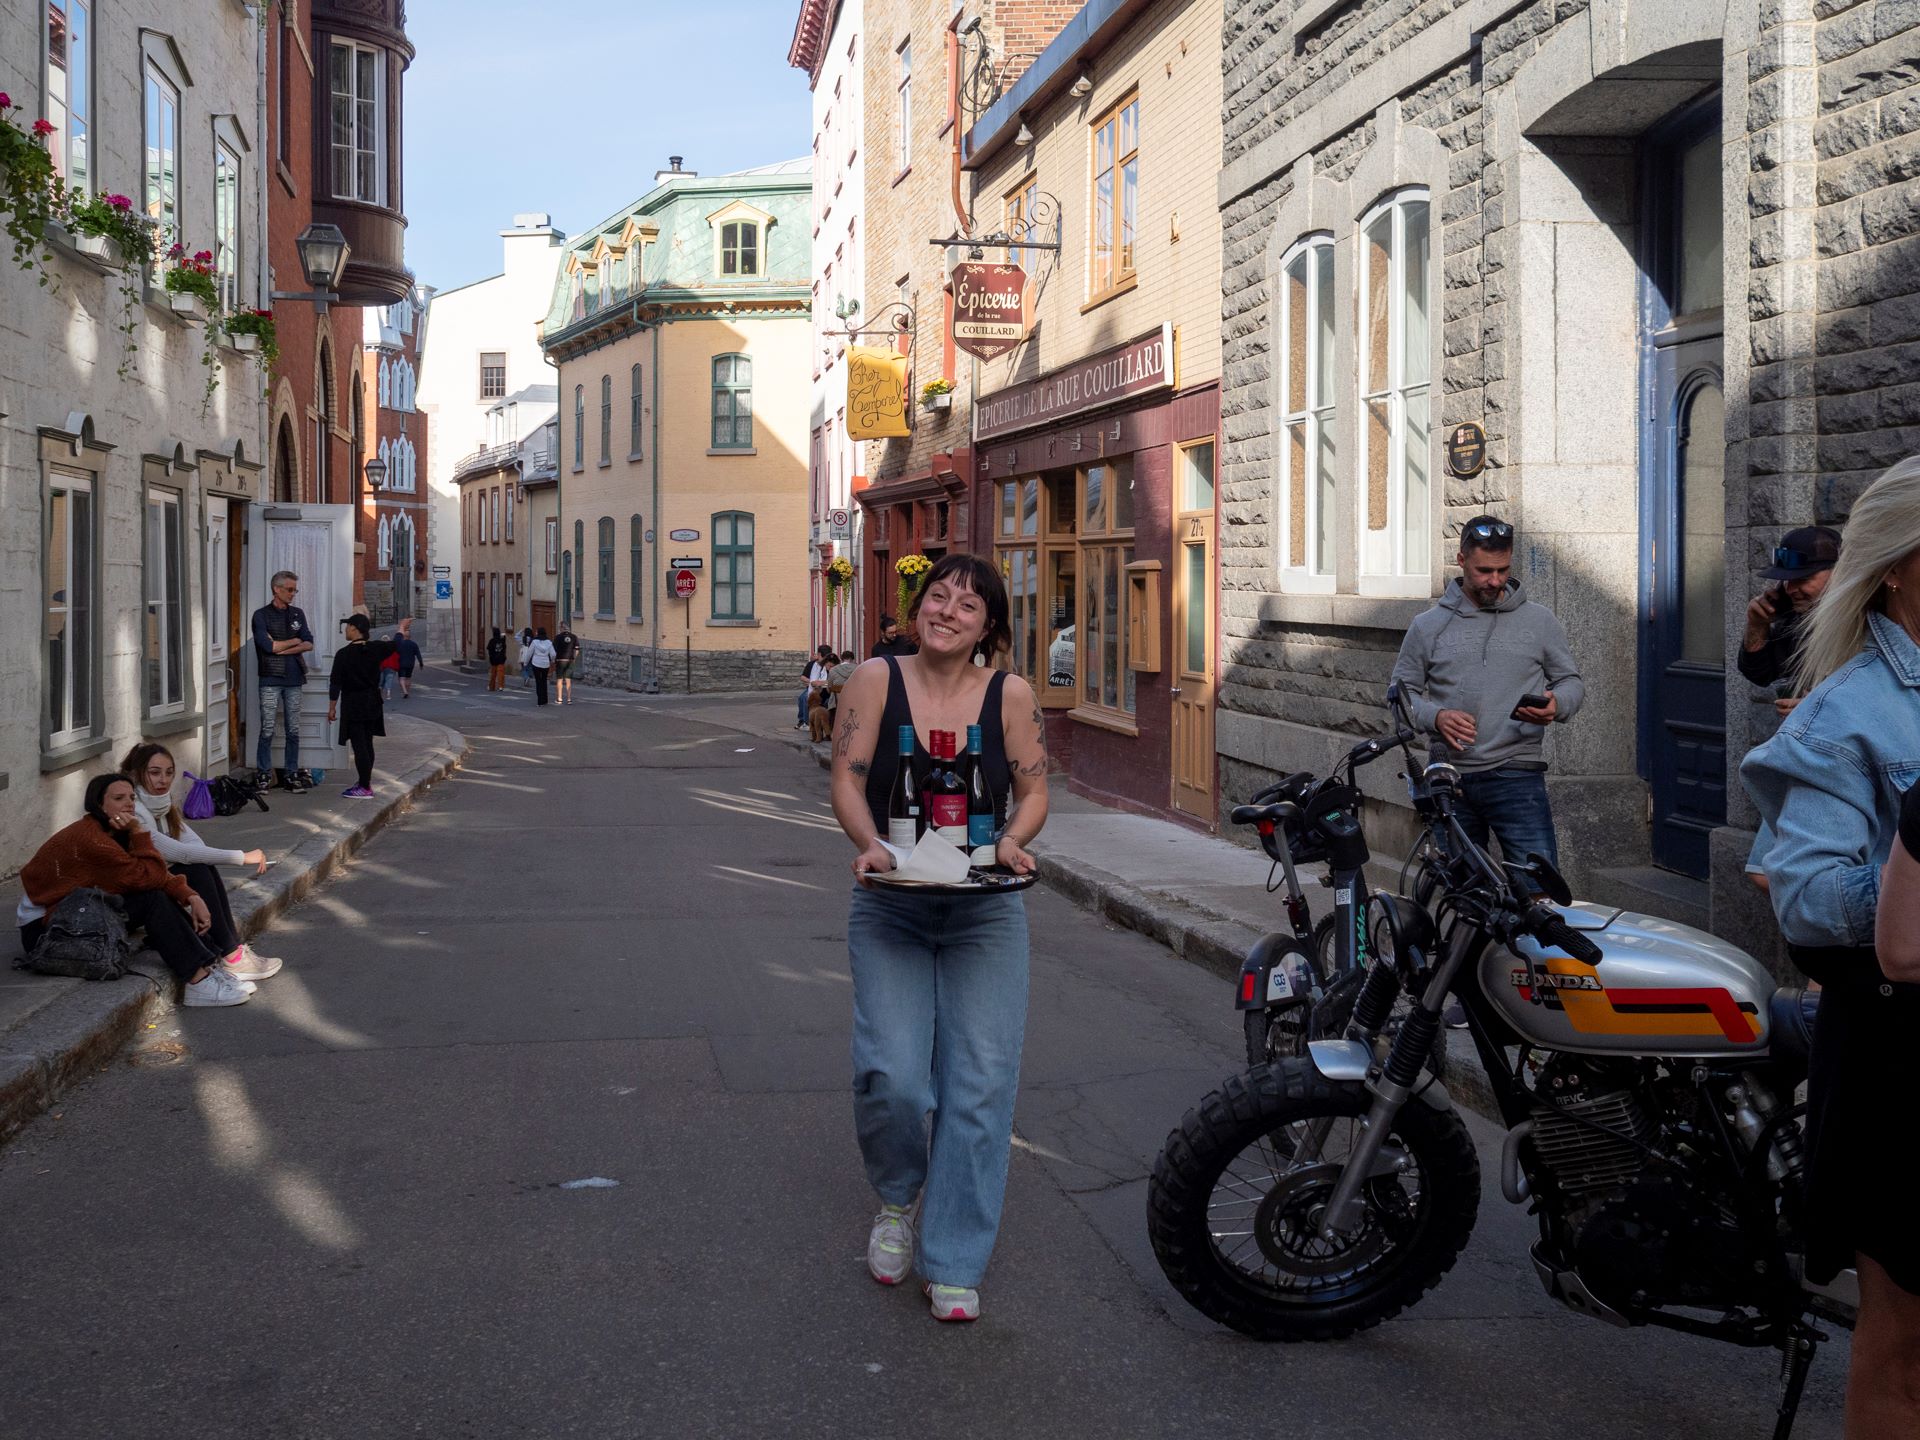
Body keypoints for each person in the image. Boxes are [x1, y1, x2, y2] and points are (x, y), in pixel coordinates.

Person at [1742, 458, 1920, 1437]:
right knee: (1907, 1349)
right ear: (1896, 567)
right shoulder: (1845, 712)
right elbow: (1807, 902)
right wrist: (1911, 872)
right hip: (1901, 1058)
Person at [828, 553, 1050, 1323]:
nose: (947, 610)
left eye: (967, 604)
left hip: (984, 910)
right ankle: (897, 1199)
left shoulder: (1010, 695)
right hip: (891, 905)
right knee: (891, 1075)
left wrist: (1014, 840)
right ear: (918, 607)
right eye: (938, 596)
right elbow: (846, 779)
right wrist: (870, 844)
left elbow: (1035, 790)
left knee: (980, 1085)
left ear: (988, 627)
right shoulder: (874, 681)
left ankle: (953, 1258)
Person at [1388, 515, 1585, 869]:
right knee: (1463, 890)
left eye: (1502, 570)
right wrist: (1436, 717)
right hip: (1449, 779)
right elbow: (1399, 696)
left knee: (1538, 886)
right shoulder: (1427, 626)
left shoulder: (1539, 621)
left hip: (1517, 774)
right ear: (1461, 561)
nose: (1495, 580)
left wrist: (1557, 704)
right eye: (1484, 571)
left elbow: (1571, 682)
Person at [17, 775, 251, 1007]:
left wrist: (192, 896)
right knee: (151, 899)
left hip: (81, 912)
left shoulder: (113, 830)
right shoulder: (92, 839)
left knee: (176, 882)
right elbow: (150, 878)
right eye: (119, 798)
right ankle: (198, 980)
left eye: (131, 797)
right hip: (50, 931)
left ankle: (208, 964)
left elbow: (154, 875)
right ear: (99, 804)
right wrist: (139, 832)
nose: (129, 804)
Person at [120, 742, 282, 984]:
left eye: (169, 772)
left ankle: (232, 951)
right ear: (136, 774)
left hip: (150, 887)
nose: (163, 780)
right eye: (154, 773)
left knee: (202, 866)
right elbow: (178, 853)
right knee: (195, 868)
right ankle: (231, 956)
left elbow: (195, 845)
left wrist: (208, 859)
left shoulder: (162, 804)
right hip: (128, 903)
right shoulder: (135, 810)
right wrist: (241, 857)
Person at [1739, 526, 1842, 894]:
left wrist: (1816, 706)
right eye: (1786, 580)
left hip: (1839, 758)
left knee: (1776, 873)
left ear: (1838, 571)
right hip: (1802, 756)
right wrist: (1757, 625)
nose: (1792, 588)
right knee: (1766, 873)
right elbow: (1759, 673)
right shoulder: (1792, 614)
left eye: (1804, 578)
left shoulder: (1861, 618)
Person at [251, 569, 316, 793]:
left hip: (294, 677)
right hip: (270, 677)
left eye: (295, 590)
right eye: (289, 590)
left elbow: (309, 643)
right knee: (267, 728)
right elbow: (268, 646)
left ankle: (291, 774)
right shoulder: (261, 615)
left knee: (293, 729)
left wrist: (283, 647)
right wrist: (294, 641)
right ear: (276, 589)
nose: (292, 594)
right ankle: (263, 774)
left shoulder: (297, 614)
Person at [327, 614, 399, 798]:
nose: (345, 630)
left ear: (354, 628)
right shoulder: (376, 648)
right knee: (367, 743)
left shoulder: (343, 654)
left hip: (354, 703)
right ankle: (364, 782)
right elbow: (395, 644)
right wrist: (401, 630)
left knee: (359, 746)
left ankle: (365, 786)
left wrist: (332, 707)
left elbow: (336, 684)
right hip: (373, 701)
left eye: (347, 626)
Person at [799, 644, 834, 729]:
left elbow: (832, 680)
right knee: (803, 697)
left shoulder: (830, 665)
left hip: (826, 689)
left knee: (809, 697)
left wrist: (820, 683)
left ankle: (812, 722)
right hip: (813, 688)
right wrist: (811, 682)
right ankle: (804, 721)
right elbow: (803, 677)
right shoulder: (811, 664)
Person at [394, 617, 425, 699]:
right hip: (410, 664)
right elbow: (418, 654)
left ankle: (405, 691)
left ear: (403, 636)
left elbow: (395, 653)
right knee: (408, 677)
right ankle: (407, 691)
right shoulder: (414, 644)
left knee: (401, 678)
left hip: (401, 663)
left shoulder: (400, 644)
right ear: (410, 636)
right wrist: (421, 663)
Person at [527, 627, 556, 706]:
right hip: (545, 664)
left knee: (538, 681)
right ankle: (545, 700)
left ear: (538, 633)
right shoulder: (549, 642)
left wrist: (526, 662)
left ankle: (540, 701)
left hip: (536, 663)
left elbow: (529, 653)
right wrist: (552, 660)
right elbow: (553, 654)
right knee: (544, 681)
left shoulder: (534, 642)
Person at [553, 621, 580, 705]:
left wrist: (553, 659)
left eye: (559, 627)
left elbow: (553, 650)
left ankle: (559, 699)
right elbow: (577, 649)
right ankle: (569, 699)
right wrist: (574, 658)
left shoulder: (557, 637)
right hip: (570, 660)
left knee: (559, 679)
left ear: (562, 628)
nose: (559, 629)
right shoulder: (574, 637)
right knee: (568, 680)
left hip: (560, 660)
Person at [486, 627, 509, 692]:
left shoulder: (492, 641)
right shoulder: (502, 640)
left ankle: (491, 687)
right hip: (501, 659)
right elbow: (504, 646)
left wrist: (491, 658)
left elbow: (489, 650)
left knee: (493, 674)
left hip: (493, 660)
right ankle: (500, 686)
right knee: (500, 674)